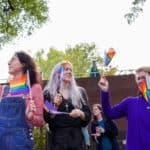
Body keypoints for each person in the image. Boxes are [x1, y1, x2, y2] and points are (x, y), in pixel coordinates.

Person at [0, 51, 44, 150]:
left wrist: (30, 117)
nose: (8, 62)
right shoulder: (3, 90)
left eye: (13, 59)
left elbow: (40, 121)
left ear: (23, 64)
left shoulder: (34, 88)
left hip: (20, 142)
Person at [98, 66, 150, 150]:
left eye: (143, 77)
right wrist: (104, 92)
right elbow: (109, 113)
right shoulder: (130, 103)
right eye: (138, 78)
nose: (140, 81)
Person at [43, 60, 91, 150]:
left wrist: (80, 113)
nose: (69, 72)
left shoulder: (80, 92)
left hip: (77, 141)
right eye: (66, 69)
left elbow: (88, 116)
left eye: (71, 70)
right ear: (57, 74)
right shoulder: (47, 94)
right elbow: (47, 118)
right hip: (57, 142)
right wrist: (55, 106)